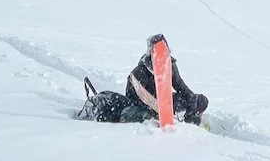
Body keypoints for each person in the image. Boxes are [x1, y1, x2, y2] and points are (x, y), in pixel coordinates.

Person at [76, 34, 208, 125]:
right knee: (140, 115)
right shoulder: (139, 73)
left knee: (200, 101)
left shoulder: (171, 66)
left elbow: (183, 88)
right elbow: (141, 100)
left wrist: (192, 109)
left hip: (164, 102)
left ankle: (193, 127)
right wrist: (162, 113)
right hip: (141, 105)